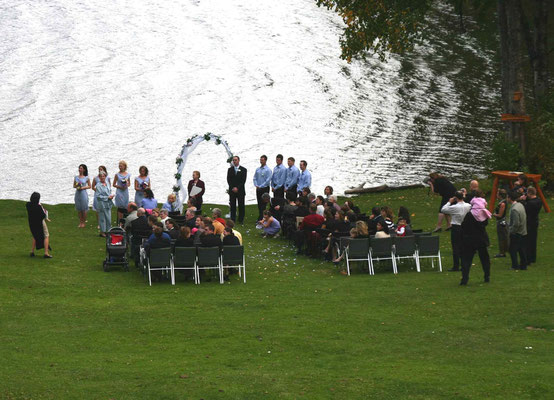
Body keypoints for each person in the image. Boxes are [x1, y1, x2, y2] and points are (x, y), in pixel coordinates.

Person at [459, 195, 491, 285]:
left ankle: (464, 278)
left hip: (470, 239)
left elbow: (464, 227)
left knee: (466, 260)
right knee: (485, 259)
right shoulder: (484, 214)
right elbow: (485, 224)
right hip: (481, 239)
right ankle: (487, 276)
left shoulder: (470, 215)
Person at [441, 191, 471, 271]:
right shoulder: (468, 206)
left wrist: (449, 202)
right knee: (463, 246)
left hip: (456, 227)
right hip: (465, 227)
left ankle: (456, 266)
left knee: (455, 246)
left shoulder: (454, 207)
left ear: (456, 198)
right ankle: (464, 264)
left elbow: (443, 209)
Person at [26, 192, 52, 258]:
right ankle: (46, 253)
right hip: (39, 222)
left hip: (32, 223)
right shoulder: (38, 206)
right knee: (46, 235)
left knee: (35, 235)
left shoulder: (28, 205)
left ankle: (32, 251)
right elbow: (43, 215)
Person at [507, 191, 528, 270]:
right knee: (521, 249)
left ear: (509, 198)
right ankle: (523, 265)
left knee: (512, 250)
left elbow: (516, 223)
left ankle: (515, 265)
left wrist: (511, 231)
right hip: (523, 231)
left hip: (517, 233)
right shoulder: (520, 205)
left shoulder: (514, 209)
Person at [524, 187, 542, 264]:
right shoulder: (538, 200)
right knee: (533, 240)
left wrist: (523, 201)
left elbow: (526, 209)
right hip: (535, 221)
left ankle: (529, 257)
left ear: (530, 193)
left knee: (528, 241)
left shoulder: (530, 203)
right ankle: (533, 257)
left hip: (529, 222)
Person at [227, 156, 247, 224]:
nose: (234, 161)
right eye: (233, 160)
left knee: (241, 205)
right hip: (232, 191)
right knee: (233, 205)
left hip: (240, 190)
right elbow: (228, 180)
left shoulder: (243, 169)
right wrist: (233, 187)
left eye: (236, 160)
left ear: (239, 160)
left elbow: (243, 181)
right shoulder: (230, 170)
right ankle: (233, 219)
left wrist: (237, 188)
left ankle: (241, 219)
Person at [94, 171, 115, 237]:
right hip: (102, 204)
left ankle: (108, 231)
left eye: (103, 176)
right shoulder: (98, 185)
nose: (102, 177)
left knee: (108, 218)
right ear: (99, 177)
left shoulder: (107, 183)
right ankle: (102, 232)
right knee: (102, 218)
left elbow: (109, 191)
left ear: (105, 177)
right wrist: (107, 197)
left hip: (108, 203)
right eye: (101, 176)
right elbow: (98, 196)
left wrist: (111, 196)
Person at [253, 155, 272, 221]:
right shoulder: (258, 169)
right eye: (260, 160)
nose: (261, 161)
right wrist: (256, 185)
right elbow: (255, 178)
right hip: (258, 188)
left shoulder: (268, 170)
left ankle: (263, 217)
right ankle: (261, 216)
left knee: (263, 204)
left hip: (264, 188)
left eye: (262, 160)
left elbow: (268, 180)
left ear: (265, 160)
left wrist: (261, 186)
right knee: (259, 203)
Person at [493, 189, 509, 258]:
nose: (496, 195)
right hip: (502, 221)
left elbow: (500, 215)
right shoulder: (502, 202)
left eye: (497, 194)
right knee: (503, 236)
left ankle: (502, 252)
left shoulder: (502, 204)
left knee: (502, 237)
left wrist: (494, 214)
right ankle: (504, 250)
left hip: (501, 222)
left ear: (500, 195)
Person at [74, 164, 91, 228]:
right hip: (77, 193)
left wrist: (83, 187)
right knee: (79, 208)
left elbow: (89, 186)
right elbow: (74, 185)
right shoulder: (76, 177)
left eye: (81, 168)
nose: (79, 169)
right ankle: (80, 222)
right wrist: (77, 186)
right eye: (79, 168)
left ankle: (83, 222)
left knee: (84, 208)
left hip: (83, 193)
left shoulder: (86, 177)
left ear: (84, 170)